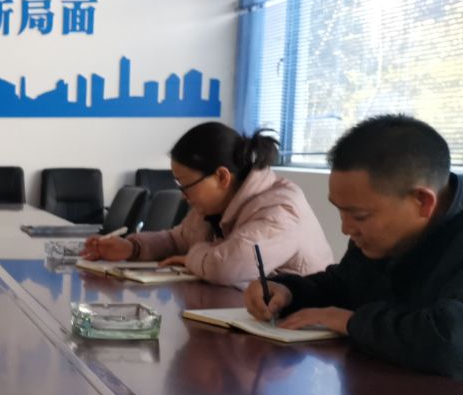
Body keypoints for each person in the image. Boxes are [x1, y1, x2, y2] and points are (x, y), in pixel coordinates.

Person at [245, 115, 463, 379]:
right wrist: (289, 291)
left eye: (359, 216)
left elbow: (451, 343)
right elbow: (345, 285)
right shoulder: (377, 236)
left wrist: (350, 321)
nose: (346, 229)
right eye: (341, 211)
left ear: (422, 202)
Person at [82, 122, 333, 287]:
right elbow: (177, 240)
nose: (183, 196)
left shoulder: (280, 208)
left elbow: (225, 266)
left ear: (222, 177)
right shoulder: (215, 206)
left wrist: (191, 257)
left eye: (186, 185)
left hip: (299, 333)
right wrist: (132, 247)